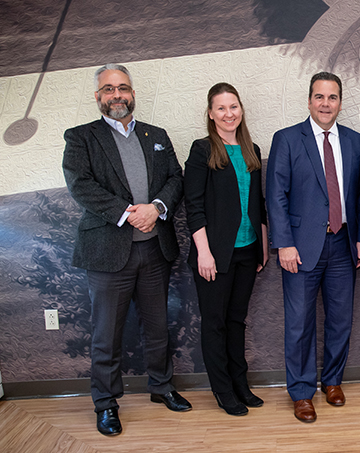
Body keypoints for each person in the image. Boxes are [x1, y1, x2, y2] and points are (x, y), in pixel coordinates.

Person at [62, 64, 191, 436]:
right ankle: (106, 403)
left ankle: (162, 387)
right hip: (107, 254)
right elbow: (80, 185)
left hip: (154, 250)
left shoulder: (157, 135)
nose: (117, 94)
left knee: (157, 328)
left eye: (123, 88)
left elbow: (174, 179)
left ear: (133, 93)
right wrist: (126, 214)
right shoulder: (82, 137)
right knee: (107, 334)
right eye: (108, 89)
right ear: (98, 97)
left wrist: (157, 208)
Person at [266, 72, 360, 423]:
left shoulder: (355, 141)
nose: (326, 104)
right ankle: (301, 392)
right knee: (299, 323)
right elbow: (276, 196)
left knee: (341, 320)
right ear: (309, 100)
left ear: (340, 102)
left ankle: (333, 381)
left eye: (333, 97)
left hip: (343, 245)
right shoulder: (287, 139)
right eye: (320, 97)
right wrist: (283, 244)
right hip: (301, 247)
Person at [183, 83, 269, 416]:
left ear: (241, 110)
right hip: (214, 255)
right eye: (221, 108)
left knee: (236, 321)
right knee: (215, 323)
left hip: (248, 251)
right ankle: (222, 390)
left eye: (233, 107)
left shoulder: (251, 149)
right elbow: (193, 206)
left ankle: (240, 384)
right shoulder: (202, 149)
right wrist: (204, 253)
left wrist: (263, 246)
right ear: (210, 113)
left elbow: (257, 205)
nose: (228, 113)